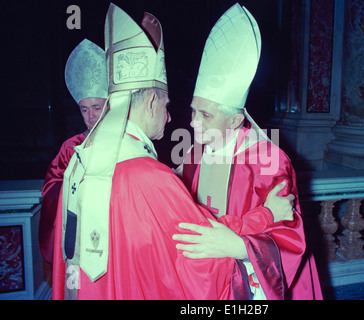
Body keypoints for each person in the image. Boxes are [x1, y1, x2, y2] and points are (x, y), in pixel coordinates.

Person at [52, 4, 292, 300]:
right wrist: (260, 223)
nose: (177, 120)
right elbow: (201, 260)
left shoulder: (82, 158)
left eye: (205, 115)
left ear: (234, 120)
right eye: (169, 107)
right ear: (152, 102)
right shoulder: (152, 175)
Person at [172, 3, 323, 300]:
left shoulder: (269, 160)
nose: (193, 122)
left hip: (253, 283)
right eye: (193, 112)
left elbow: (290, 235)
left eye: (205, 115)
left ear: (235, 120)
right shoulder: (192, 155)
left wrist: (238, 247)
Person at [39, 39, 107, 267]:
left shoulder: (124, 143)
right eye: (84, 109)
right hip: (78, 230)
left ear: (108, 105)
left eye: (97, 108)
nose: (91, 117)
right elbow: (51, 188)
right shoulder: (71, 146)